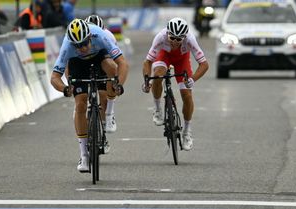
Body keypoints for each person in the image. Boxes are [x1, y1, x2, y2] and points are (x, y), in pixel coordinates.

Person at [50, 19, 126, 172]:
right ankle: (84, 155)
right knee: (80, 104)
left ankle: (109, 113)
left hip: (99, 57)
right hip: (77, 63)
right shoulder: (68, 46)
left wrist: (119, 84)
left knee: (111, 68)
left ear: (90, 37)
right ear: (72, 43)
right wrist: (65, 89)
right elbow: (54, 78)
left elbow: (123, 63)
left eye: (85, 43)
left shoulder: (101, 36)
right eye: (78, 45)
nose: (83, 48)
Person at [142, 17, 209, 151]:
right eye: (172, 38)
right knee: (157, 76)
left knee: (187, 95)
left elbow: (204, 64)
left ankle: (187, 132)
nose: (174, 41)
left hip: (181, 60)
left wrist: (192, 79)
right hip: (163, 56)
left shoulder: (190, 39)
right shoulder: (160, 37)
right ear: (167, 33)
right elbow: (147, 62)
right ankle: (157, 109)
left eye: (179, 39)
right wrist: (147, 80)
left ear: (184, 38)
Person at [85, 14, 128, 133]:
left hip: (103, 59)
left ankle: (108, 116)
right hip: (86, 60)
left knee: (104, 97)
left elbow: (116, 61)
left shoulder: (108, 36)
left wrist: (116, 81)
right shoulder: (82, 37)